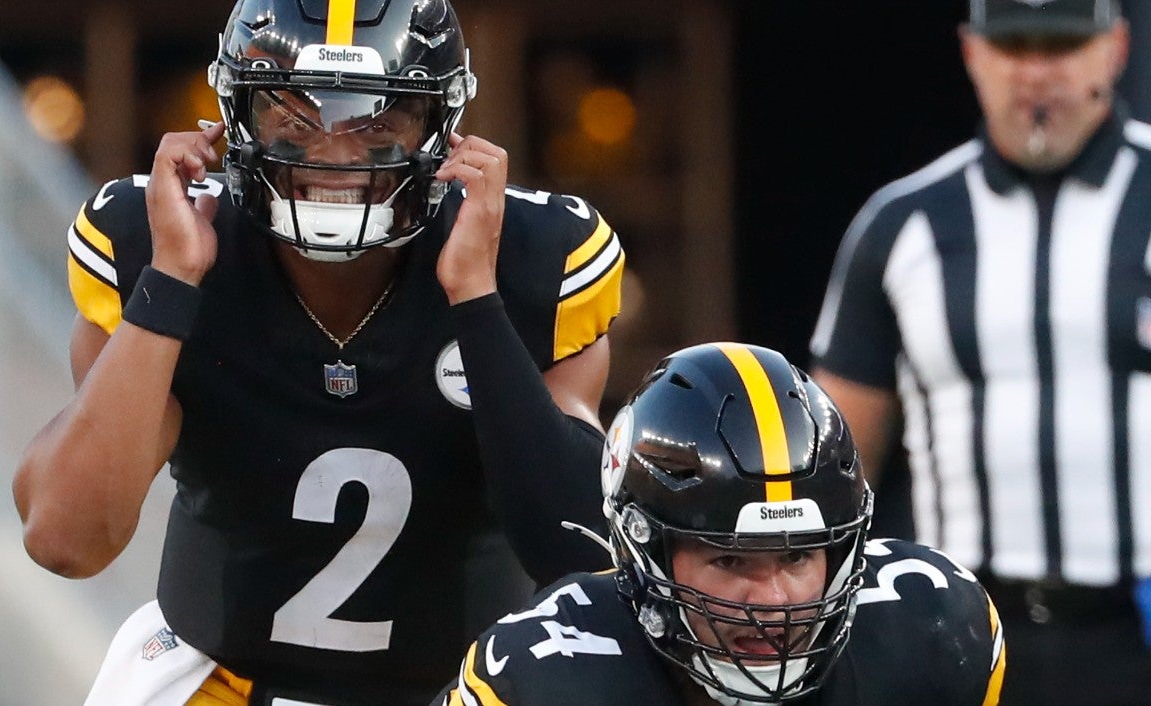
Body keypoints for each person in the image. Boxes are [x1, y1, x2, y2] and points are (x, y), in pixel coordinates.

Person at [11, 0, 625, 703]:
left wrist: (477, 300)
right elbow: (66, 539)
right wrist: (170, 285)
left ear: (443, 126)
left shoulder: (533, 257)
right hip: (217, 679)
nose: (335, 153)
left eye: (378, 121)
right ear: (236, 114)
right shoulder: (156, 241)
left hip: (471, 688)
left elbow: (581, 554)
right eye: (296, 118)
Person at [809, 0, 1151, 703]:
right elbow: (835, 462)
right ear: (971, 54)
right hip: (964, 624)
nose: (1034, 72)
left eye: (1060, 46)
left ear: (1115, 49)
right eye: (1012, 46)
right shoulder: (902, 224)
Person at [434, 343, 1006, 706]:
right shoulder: (549, 677)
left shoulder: (930, 629)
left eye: (798, 556)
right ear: (644, 550)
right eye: (731, 559)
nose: (774, 599)